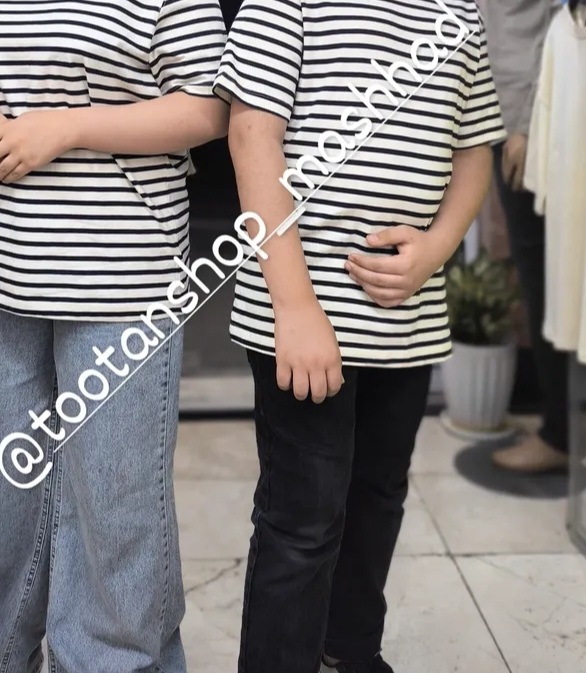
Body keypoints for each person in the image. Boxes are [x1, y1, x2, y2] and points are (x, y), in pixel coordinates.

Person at [0, 1, 228, 672]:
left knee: (114, 509)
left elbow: (207, 108)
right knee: (4, 501)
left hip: (124, 278)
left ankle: (111, 661)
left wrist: (68, 126)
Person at [213, 1, 506, 671]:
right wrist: (295, 308)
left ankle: (348, 650)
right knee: (303, 518)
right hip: (302, 315)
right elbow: (252, 136)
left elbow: (473, 149)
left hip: (406, 321)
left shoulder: (458, 11)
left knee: (378, 497)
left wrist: (436, 248)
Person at [484, 0, 569, 474]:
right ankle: (561, 427)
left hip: (529, 122)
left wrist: (527, 124)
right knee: (536, 270)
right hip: (498, 113)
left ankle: (560, 433)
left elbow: (563, 20)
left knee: (546, 276)